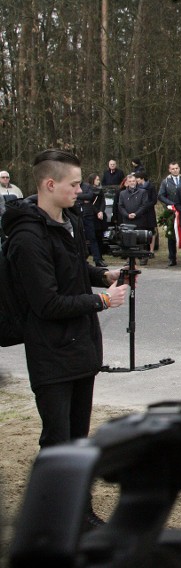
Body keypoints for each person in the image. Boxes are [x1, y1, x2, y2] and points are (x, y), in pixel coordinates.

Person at [1, 149, 130, 527]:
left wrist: (102, 276)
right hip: (51, 353)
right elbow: (47, 303)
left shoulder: (69, 220)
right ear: (49, 184)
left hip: (81, 347)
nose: (80, 190)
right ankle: (48, 518)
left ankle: (80, 514)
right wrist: (103, 301)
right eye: (74, 184)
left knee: (78, 440)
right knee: (57, 443)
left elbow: (73, 269)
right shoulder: (27, 238)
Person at [76, 173, 107, 267]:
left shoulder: (87, 186)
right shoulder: (72, 186)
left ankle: (97, 259)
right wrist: (82, 199)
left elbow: (89, 196)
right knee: (79, 238)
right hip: (77, 215)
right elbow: (71, 196)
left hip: (88, 215)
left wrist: (78, 197)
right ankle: (80, 259)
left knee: (92, 238)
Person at [158, 162, 181, 266]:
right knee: (171, 235)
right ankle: (172, 258)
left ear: (179, 168)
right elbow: (160, 195)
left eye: (176, 168)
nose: (175, 170)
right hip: (171, 212)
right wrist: (171, 204)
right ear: (169, 170)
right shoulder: (165, 182)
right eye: (173, 169)